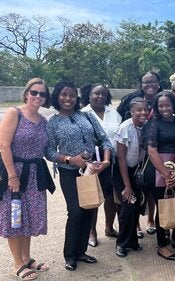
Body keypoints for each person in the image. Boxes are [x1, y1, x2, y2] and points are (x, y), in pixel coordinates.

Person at [46, 81, 113, 271]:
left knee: (89, 209)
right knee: (75, 212)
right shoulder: (53, 123)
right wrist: (69, 159)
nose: (68, 98)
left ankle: (81, 252)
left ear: (77, 98)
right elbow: (49, 152)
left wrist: (106, 161)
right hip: (69, 172)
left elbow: (105, 139)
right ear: (57, 97)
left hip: (91, 170)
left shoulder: (87, 116)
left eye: (72, 95)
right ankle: (70, 255)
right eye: (64, 95)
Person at [0, 78, 55, 280]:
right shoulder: (15, 114)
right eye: (34, 92)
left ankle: (26, 257)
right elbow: (4, 145)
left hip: (35, 174)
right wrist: (12, 176)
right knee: (14, 216)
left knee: (29, 216)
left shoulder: (43, 121)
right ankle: (17, 263)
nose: (38, 97)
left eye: (42, 94)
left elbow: (46, 149)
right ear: (26, 93)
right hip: (14, 172)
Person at [142, 91, 175, 261]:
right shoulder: (152, 125)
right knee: (163, 206)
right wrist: (166, 173)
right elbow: (151, 151)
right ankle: (162, 245)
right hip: (157, 170)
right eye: (160, 105)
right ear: (156, 107)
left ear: (173, 105)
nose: (164, 108)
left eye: (167, 105)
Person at [117, 72, 162, 237]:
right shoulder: (130, 101)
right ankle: (134, 227)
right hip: (131, 158)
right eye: (146, 82)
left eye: (153, 81)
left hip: (152, 155)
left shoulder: (161, 100)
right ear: (140, 84)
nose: (150, 84)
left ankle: (151, 220)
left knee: (151, 190)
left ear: (158, 83)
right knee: (133, 194)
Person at [80, 83, 122, 247]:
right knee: (92, 197)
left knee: (111, 197)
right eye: (96, 94)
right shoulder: (82, 114)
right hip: (91, 162)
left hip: (111, 161)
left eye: (103, 94)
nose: (100, 97)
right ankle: (92, 232)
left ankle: (109, 228)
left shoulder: (114, 113)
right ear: (89, 95)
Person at [113, 97, 148, 257]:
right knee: (128, 206)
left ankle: (133, 241)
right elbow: (121, 158)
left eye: (145, 109)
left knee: (136, 207)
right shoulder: (125, 128)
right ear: (132, 111)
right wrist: (127, 186)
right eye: (139, 110)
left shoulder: (146, 127)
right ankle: (121, 243)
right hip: (122, 172)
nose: (143, 112)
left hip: (136, 171)